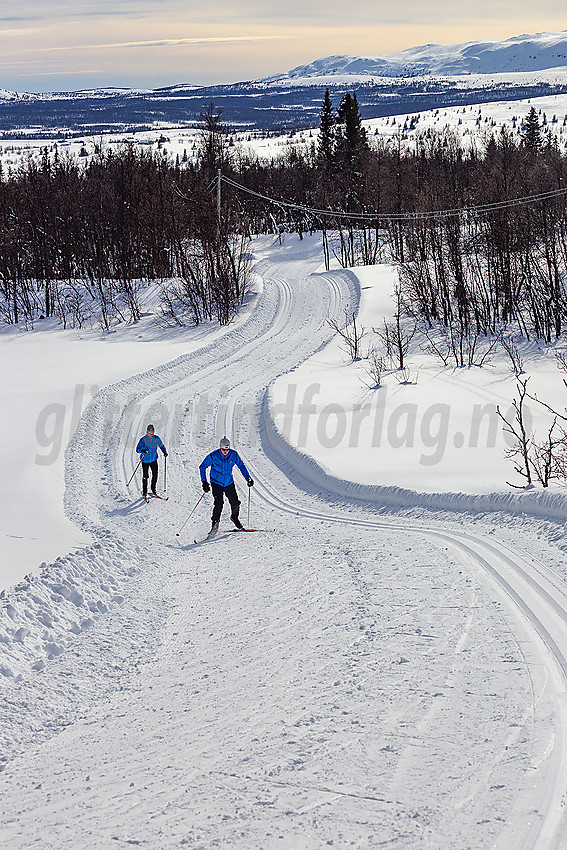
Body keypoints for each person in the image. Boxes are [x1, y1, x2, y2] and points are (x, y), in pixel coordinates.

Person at [199, 436, 254, 535]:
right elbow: (202, 467)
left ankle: (234, 518)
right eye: (223, 449)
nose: (225, 451)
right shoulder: (213, 456)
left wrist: (248, 478)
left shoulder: (234, 455)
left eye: (227, 449)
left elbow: (241, 466)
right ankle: (215, 525)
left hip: (228, 482)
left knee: (235, 502)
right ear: (220, 448)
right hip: (216, 482)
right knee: (219, 503)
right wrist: (204, 482)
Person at [136, 424, 167, 499]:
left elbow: (161, 446)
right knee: (145, 476)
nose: (151, 434)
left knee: (155, 475)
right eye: (150, 433)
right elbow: (137, 449)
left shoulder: (156, 438)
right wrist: (142, 450)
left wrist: (164, 452)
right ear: (147, 432)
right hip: (145, 460)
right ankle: (145, 491)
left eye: (152, 433)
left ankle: (153, 490)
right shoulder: (143, 440)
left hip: (154, 460)